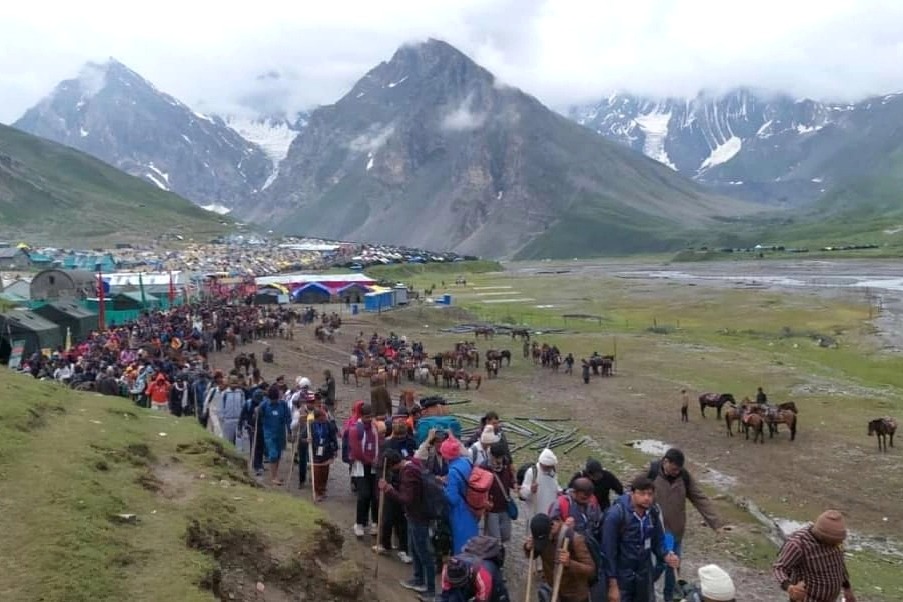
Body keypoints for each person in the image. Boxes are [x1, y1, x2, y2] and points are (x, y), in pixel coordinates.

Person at [643, 448, 723, 602]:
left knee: (673, 567)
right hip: (655, 532)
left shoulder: (684, 477)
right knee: (659, 564)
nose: (676, 472)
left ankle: (670, 597)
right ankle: (645, 588)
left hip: (675, 532)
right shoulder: (651, 471)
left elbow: (699, 497)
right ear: (665, 462)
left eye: (679, 469)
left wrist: (716, 523)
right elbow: (633, 490)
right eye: (674, 469)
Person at [602, 476, 679, 602]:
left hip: (643, 577)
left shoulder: (652, 513)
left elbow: (658, 540)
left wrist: (666, 555)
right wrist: (613, 585)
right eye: (642, 493)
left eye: (650, 494)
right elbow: (608, 553)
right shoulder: (615, 515)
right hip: (622, 578)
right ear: (632, 493)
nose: (647, 498)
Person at [379, 446, 438, 598]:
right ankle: (418, 579)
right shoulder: (413, 463)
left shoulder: (408, 474)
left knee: (423, 551)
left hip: (418, 516)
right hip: (414, 515)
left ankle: (430, 588)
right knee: (414, 549)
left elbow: (406, 499)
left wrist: (389, 489)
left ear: (393, 465)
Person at [772, 510, 857, 602]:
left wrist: (847, 589)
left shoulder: (835, 543)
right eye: (833, 541)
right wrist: (789, 587)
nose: (838, 543)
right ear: (822, 536)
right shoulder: (799, 544)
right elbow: (779, 568)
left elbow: (839, 565)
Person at [524, 513, 596, 602]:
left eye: (545, 539)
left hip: (575, 595)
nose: (543, 543)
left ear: (551, 528)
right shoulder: (540, 534)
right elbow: (533, 555)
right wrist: (528, 548)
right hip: (554, 592)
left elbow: (591, 570)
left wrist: (569, 563)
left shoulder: (575, 540)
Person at [439, 535, 510, 602]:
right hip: (472, 579)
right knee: (453, 597)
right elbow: (445, 593)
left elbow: (482, 599)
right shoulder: (447, 567)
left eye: (460, 583)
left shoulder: (482, 573)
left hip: (491, 582)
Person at [349, 402, 381, 538]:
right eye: (367, 417)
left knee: (375, 496)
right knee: (364, 495)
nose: (369, 419)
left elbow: (378, 444)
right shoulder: (355, 429)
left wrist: (377, 460)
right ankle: (359, 523)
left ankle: (375, 522)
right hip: (361, 466)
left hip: (373, 466)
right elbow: (356, 451)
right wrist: (369, 461)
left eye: (371, 416)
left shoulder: (374, 428)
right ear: (361, 416)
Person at [443, 436, 479, 555]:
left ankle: (462, 569)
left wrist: (443, 487)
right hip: (472, 506)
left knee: (461, 544)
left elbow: (452, 499)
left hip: (460, 511)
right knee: (472, 540)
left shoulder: (453, 472)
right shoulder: (466, 462)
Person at [519, 448, 562, 527]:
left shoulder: (552, 472)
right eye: (547, 467)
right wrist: (531, 490)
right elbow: (522, 494)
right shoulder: (532, 472)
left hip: (549, 514)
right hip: (535, 512)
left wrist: (559, 491)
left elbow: (555, 486)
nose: (549, 469)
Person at [484, 441, 515, 543]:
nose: (499, 460)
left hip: (504, 507)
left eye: (500, 457)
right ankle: (496, 556)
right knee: (495, 540)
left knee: (506, 535)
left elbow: (510, 480)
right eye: (497, 458)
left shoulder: (505, 464)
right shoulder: (484, 467)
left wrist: (514, 484)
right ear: (491, 455)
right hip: (492, 509)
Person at [259, 386, 291, 486]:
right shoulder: (264, 405)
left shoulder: (283, 405)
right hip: (269, 433)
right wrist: (257, 413)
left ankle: (275, 474)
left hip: (280, 433)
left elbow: (288, 419)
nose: (274, 402)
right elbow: (258, 417)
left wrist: (289, 432)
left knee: (278, 454)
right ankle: (273, 477)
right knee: (273, 454)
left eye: (275, 400)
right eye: (272, 400)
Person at [309, 408, 339, 501]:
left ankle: (322, 489)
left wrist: (335, 449)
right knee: (317, 472)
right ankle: (317, 492)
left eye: (325, 415)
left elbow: (333, 438)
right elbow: (302, 437)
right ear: (318, 418)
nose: (325, 417)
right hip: (315, 451)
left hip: (326, 451)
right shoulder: (311, 425)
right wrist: (307, 440)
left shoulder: (329, 425)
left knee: (324, 472)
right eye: (323, 416)